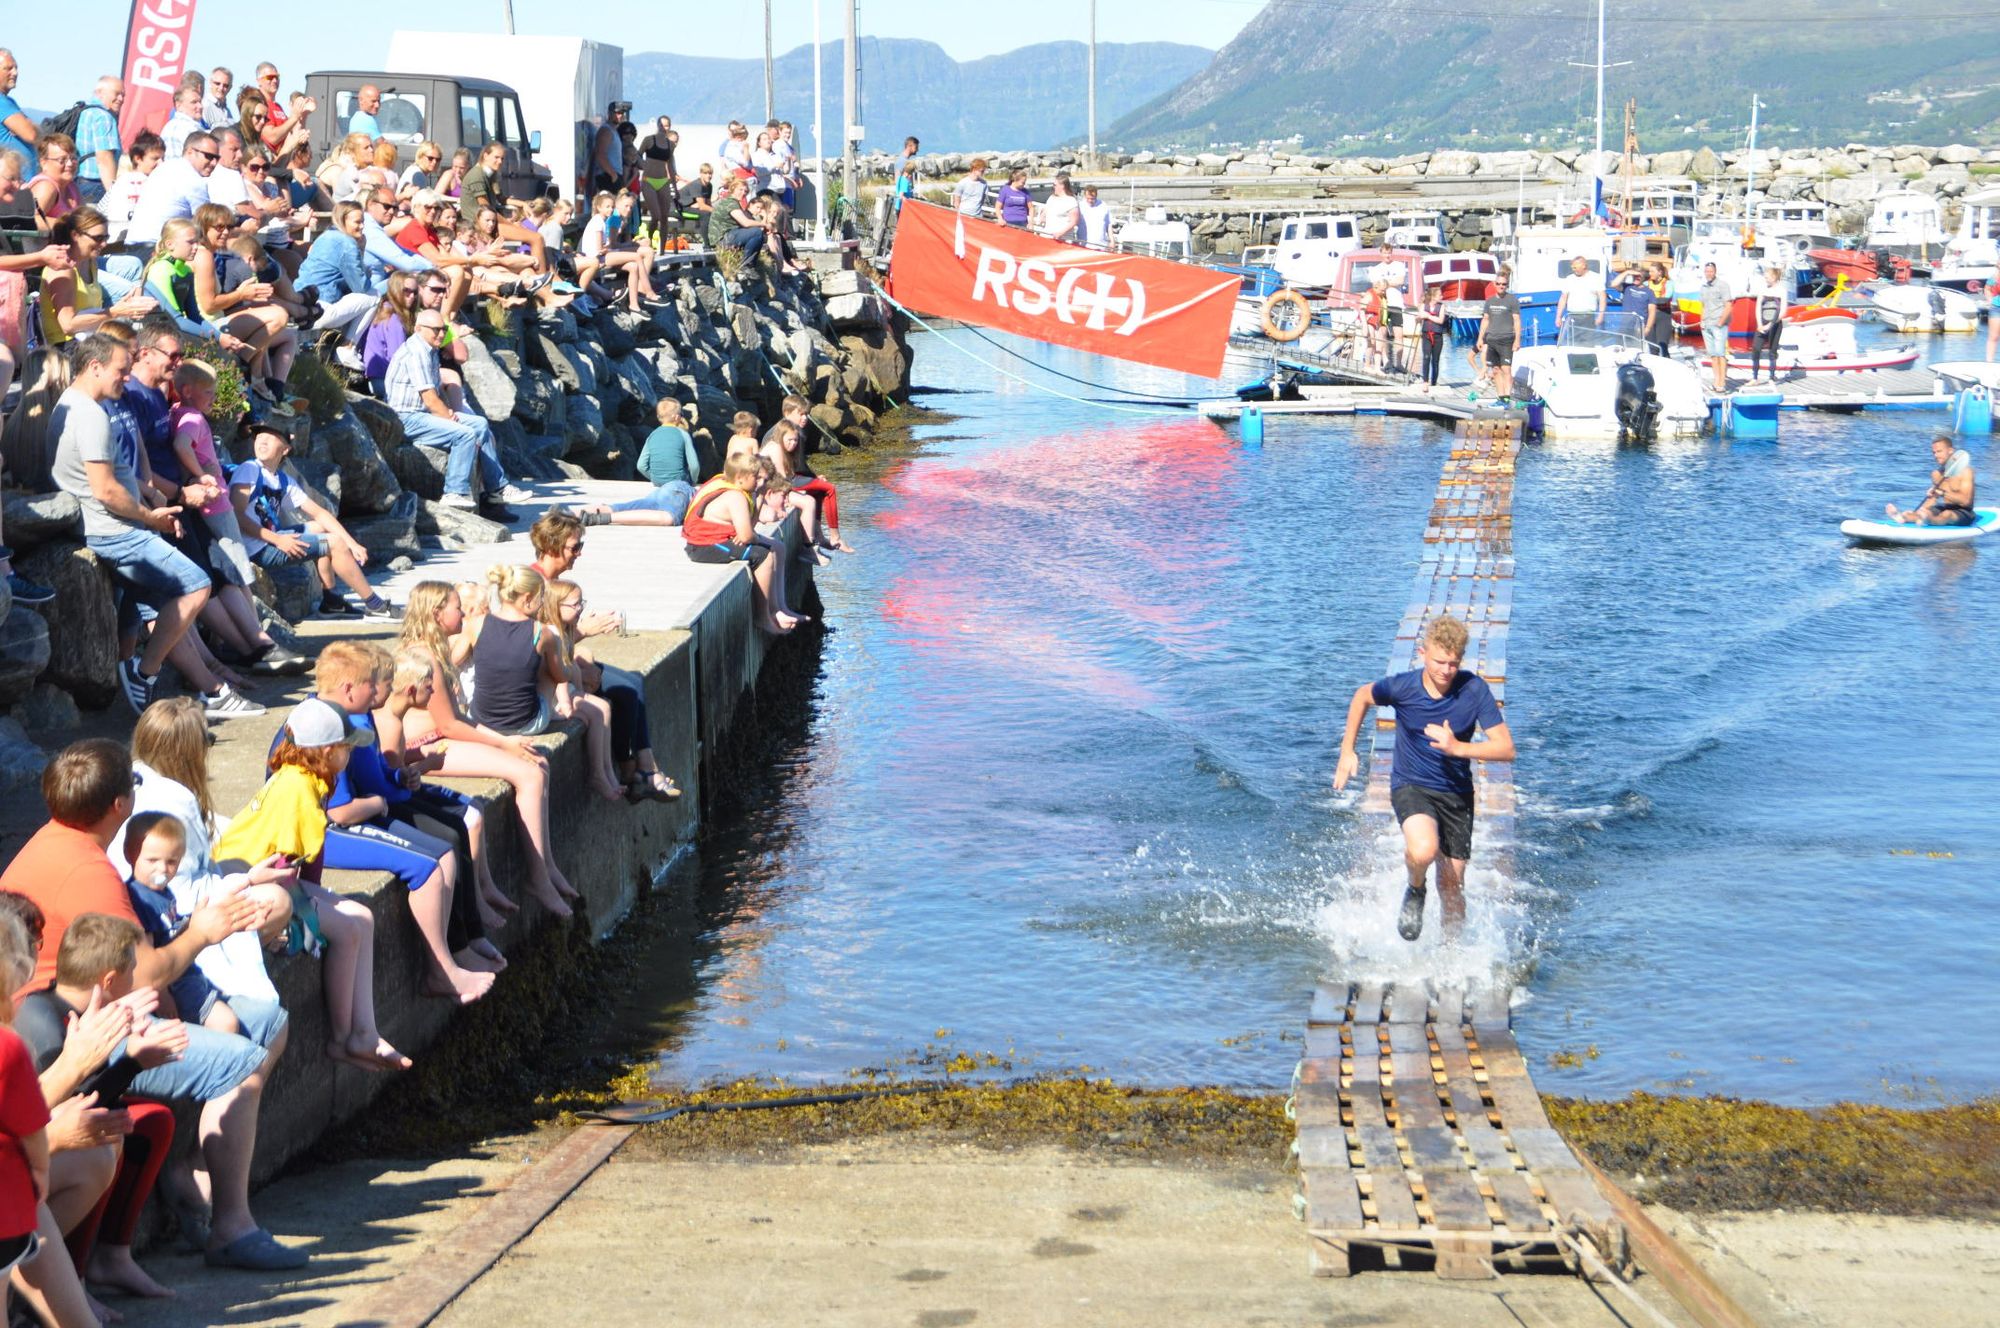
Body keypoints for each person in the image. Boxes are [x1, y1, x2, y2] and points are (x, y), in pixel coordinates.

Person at [0, 740, 305, 1272]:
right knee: (242, 1064)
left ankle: (195, 1167)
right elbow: (147, 972)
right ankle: (231, 1227)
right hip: (74, 1025)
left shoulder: (53, 842)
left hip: (103, 1004)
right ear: (120, 807)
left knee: (268, 1022)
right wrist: (205, 932)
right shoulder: (88, 871)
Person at [211, 700, 408, 1074]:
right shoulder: (298, 790)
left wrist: (317, 899)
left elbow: (308, 858)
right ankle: (340, 1039)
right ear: (329, 751)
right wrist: (305, 924)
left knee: (363, 916)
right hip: (246, 882)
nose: (352, 753)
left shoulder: (304, 776)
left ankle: (364, 1033)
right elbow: (285, 866)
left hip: (269, 875)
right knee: (347, 930)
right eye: (349, 747)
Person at [9, 908, 181, 1311]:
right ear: (108, 979)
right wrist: (130, 1064)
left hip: (29, 1158)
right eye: (133, 968)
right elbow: (71, 1109)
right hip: (23, 1168)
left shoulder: (64, 1007)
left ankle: (105, 1262)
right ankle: (64, 1282)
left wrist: (132, 1061)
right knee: (106, 1144)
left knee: (150, 1124)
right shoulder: (46, 1029)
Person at [308, 644, 498, 1001]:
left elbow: (374, 775)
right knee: (429, 864)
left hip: (340, 817)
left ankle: (454, 956)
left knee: (443, 850)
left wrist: (396, 781)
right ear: (351, 688)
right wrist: (381, 801)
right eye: (379, 683)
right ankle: (442, 969)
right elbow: (341, 812)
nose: (386, 689)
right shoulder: (331, 731)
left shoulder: (342, 718)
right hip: (321, 832)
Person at [47, 335, 214, 715]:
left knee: (147, 597)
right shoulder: (90, 414)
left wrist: (150, 497)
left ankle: (130, 679)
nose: (126, 378)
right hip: (114, 530)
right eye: (122, 370)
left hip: (110, 524)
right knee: (197, 585)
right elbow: (106, 489)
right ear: (94, 367)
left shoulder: (75, 405)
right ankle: (145, 671)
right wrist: (149, 517)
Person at [396, 581, 579, 916]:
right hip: (424, 747)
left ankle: (546, 866)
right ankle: (537, 878)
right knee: (528, 773)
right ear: (437, 614)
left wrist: (501, 741)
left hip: (441, 736)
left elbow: (455, 718)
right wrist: (503, 741)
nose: (463, 613)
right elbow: (450, 724)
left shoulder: (432, 648)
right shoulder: (424, 659)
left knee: (538, 763)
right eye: (456, 607)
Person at [1331, 616, 1515, 943]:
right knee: (1423, 849)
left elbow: (1506, 748)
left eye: (1453, 664)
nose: (1446, 670)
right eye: (1439, 662)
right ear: (1422, 654)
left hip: (1457, 794)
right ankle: (1416, 887)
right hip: (1411, 784)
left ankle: (1450, 957)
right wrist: (1348, 751)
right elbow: (1362, 696)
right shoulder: (1403, 687)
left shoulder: (1474, 690)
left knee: (1452, 885)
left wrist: (1457, 747)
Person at [230, 421, 398, 619]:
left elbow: (320, 513)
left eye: (270, 436)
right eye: (259, 436)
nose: (262, 441)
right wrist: (278, 540)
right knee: (334, 544)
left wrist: (352, 543)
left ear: (285, 449)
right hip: (257, 548)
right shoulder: (249, 469)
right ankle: (375, 604)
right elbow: (236, 515)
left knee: (320, 528)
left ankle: (332, 601)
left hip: (269, 540)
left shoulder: (281, 480)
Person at [385, 311, 527, 516]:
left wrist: (448, 414)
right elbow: (430, 399)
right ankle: (454, 491)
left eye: (443, 329)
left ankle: (497, 488)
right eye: (436, 330)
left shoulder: (429, 350)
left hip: (423, 414)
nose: (441, 334)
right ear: (418, 329)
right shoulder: (416, 352)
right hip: (407, 418)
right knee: (464, 434)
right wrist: (449, 417)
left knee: (479, 424)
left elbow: (435, 397)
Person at [680, 454, 802, 634]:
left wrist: (759, 499)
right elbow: (746, 536)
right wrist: (748, 536)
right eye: (756, 477)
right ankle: (763, 617)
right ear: (739, 478)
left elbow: (748, 530)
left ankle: (778, 609)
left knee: (777, 546)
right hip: (704, 546)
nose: (760, 483)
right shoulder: (735, 496)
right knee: (764, 556)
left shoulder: (738, 489)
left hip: (718, 539)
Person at [1886, 433, 1977, 527]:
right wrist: (1920, 512)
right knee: (1924, 511)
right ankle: (1902, 517)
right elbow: (1932, 500)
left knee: (1947, 514)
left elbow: (1966, 501)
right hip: (1945, 507)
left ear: (1950, 451)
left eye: (1939, 451)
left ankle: (1929, 520)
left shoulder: (1966, 471)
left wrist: (1942, 493)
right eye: (1934, 452)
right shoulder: (1936, 474)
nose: (1936, 455)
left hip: (1965, 512)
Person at [73, 78, 125, 205]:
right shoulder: (104, 117)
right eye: (117, 93)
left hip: (78, 183)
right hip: (96, 185)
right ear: (100, 93)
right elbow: (104, 159)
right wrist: (112, 197)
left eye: (123, 95)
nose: (121, 99)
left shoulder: (84, 111)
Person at [1473, 270, 1520, 400]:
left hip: (1506, 339)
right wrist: (1480, 339)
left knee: (1506, 370)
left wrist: (1517, 340)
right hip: (1491, 339)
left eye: (1503, 284)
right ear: (1494, 284)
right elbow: (1485, 320)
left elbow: (1516, 321)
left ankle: (1507, 399)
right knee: (1495, 370)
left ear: (1507, 285)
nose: (1501, 286)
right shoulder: (1489, 301)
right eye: (1498, 284)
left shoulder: (1512, 300)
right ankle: (1500, 398)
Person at [1747, 264, 1788, 386]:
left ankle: (1771, 376)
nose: (1766, 279)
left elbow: (1783, 310)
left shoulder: (1781, 290)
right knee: (1756, 349)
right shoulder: (1763, 289)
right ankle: (1755, 377)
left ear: (1774, 277)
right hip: (1762, 323)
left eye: (1767, 277)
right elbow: (1758, 307)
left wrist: (1770, 325)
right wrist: (1760, 324)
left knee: (1772, 350)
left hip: (1775, 323)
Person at [1699, 261, 1732, 394]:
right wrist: (1701, 321)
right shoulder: (1703, 287)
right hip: (1706, 324)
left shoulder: (1723, 285)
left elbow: (1728, 305)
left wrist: (1721, 322)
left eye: (1711, 271)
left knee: (1720, 354)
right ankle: (1716, 380)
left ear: (1715, 271)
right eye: (1707, 271)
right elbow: (1703, 306)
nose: (1709, 274)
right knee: (1712, 354)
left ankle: (1722, 382)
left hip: (1718, 324)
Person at [1554, 254, 1602, 339]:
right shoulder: (1569, 279)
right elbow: (1563, 298)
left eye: (1575, 267)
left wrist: (1601, 315)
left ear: (1584, 266)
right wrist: (1558, 316)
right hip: (1572, 316)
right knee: (1572, 343)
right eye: (1573, 267)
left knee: (1588, 343)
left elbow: (1602, 298)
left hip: (1588, 317)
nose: (1573, 269)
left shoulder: (1595, 278)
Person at [1035, 172, 1079, 243]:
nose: (1053, 187)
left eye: (1055, 185)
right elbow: (1045, 212)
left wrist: (1060, 233)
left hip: (1062, 239)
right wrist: (1041, 218)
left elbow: (1074, 221)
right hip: (1047, 236)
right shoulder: (1051, 198)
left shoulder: (1071, 201)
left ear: (1062, 186)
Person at [1417, 287, 1447, 388]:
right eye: (1440, 295)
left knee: (1435, 360)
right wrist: (1419, 317)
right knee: (1426, 357)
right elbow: (1419, 318)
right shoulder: (1423, 306)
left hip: (1437, 336)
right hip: (1426, 335)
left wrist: (1428, 316)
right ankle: (1425, 381)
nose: (1442, 296)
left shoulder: (1441, 306)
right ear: (1433, 296)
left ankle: (1434, 382)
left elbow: (1440, 320)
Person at [1077, 184, 1112, 250]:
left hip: (1101, 246)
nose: (1090, 201)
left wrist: (1112, 241)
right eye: (1088, 198)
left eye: (1093, 199)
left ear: (1096, 196)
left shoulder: (1103, 205)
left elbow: (1109, 224)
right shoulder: (1079, 206)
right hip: (1084, 245)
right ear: (1084, 196)